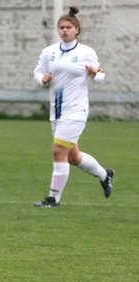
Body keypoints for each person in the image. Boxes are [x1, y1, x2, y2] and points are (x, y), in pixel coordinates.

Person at [33, 6, 113, 207]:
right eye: (61, 27)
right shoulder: (48, 52)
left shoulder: (86, 52)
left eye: (68, 27)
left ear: (77, 29)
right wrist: (43, 79)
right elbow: (38, 73)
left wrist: (95, 74)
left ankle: (53, 198)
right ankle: (105, 175)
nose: (64, 30)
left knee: (58, 151)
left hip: (76, 110)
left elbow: (101, 76)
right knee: (73, 156)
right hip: (57, 110)